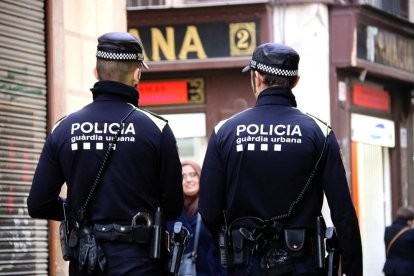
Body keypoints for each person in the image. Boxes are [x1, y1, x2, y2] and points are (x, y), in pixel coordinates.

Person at [198, 43, 363, 276]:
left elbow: (209, 210)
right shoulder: (319, 132)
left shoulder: (225, 131)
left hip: (245, 264)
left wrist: (235, 242)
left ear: (256, 78)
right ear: (295, 81)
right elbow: (343, 213)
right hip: (303, 264)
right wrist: (354, 269)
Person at [27, 32, 184, 275]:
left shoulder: (64, 128)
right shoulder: (156, 128)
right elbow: (173, 206)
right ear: (137, 74)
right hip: (142, 262)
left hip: (87, 260)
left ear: (95, 72)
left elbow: (38, 204)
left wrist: (78, 212)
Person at [167, 160, 225, 276]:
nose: (188, 180)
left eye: (193, 175)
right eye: (182, 177)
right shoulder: (172, 210)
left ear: (201, 177)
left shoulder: (211, 207)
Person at [383, 206, 414, 275]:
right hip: (407, 270)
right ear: (409, 220)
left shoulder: (387, 230)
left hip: (390, 270)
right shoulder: (411, 233)